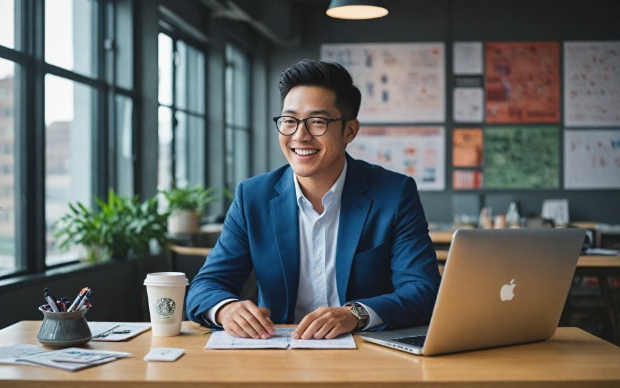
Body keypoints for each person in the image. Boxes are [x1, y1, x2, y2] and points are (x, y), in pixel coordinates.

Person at [186, 59, 441, 340]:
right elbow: (206, 285)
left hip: (366, 354)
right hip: (277, 353)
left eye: (317, 122)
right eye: (289, 121)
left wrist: (354, 314)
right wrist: (227, 310)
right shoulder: (253, 196)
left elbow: (423, 290)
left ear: (350, 131)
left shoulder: (393, 193)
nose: (300, 136)